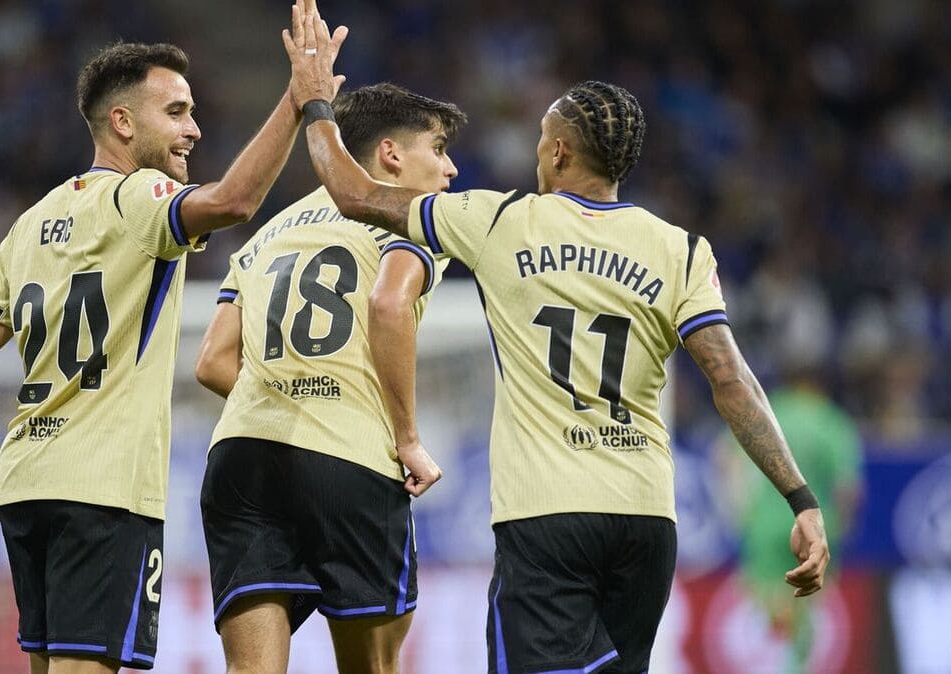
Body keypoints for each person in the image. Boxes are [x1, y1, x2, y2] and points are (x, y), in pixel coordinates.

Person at [286, 35, 831, 674]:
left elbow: (354, 195)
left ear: (560, 150)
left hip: (546, 515)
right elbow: (731, 379)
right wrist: (800, 499)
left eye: (542, 137)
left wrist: (318, 103)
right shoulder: (680, 249)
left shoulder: (501, 221)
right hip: (646, 520)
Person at [0, 5, 348, 672]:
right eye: (176, 112)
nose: (194, 128)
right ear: (122, 123)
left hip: (28, 487)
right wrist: (301, 101)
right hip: (104, 491)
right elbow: (235, 202)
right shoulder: (139, 197)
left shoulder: (33, 221)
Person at [194, 81, 465, 674]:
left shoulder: (270, 230)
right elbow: (388, 306)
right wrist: (408, 439)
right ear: (392, 155)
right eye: (438, 148)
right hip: (350, 460)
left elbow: (212, 360)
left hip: (242, 456)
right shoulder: (413, 218)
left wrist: (287, 395)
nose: (449, 167)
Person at [718, 366, 863, 673]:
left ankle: (773, 659)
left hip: (765, 524)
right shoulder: (832, 421)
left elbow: (726, 459)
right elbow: (848, 489)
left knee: (769, 600)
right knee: (807, 605)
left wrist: (740, 512)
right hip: (816, 528)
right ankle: (794, 665)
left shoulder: (769, 409)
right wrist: (841, 528)